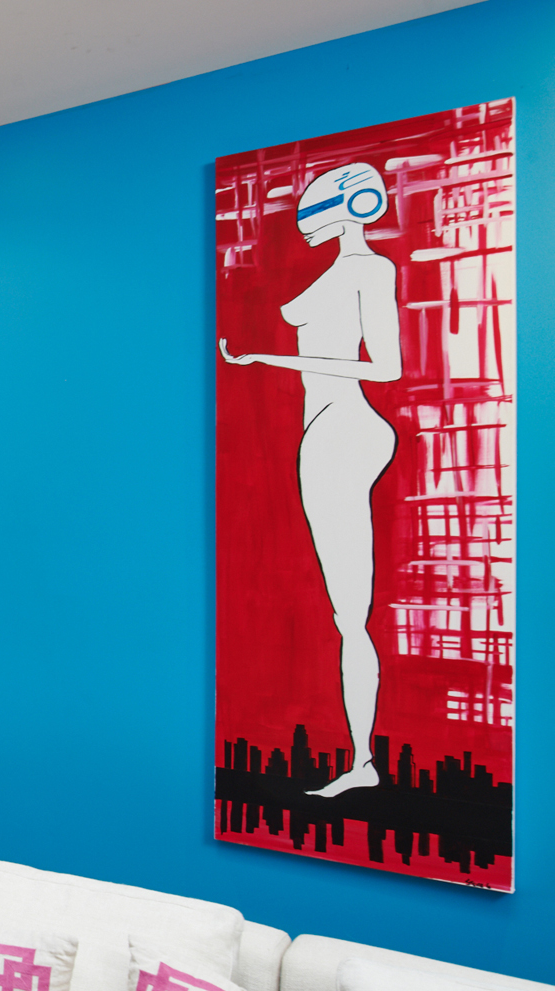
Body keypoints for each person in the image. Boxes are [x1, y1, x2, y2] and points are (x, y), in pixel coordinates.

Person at [220, 162, 403, 797]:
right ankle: (362, 759)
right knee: (346, 611)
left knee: (350, 614)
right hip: (332, 428)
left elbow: (385, 366)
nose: (309, 224)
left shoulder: (368, 269)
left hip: (341, 428)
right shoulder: (346, 269)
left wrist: (268, 356)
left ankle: (362, 762)